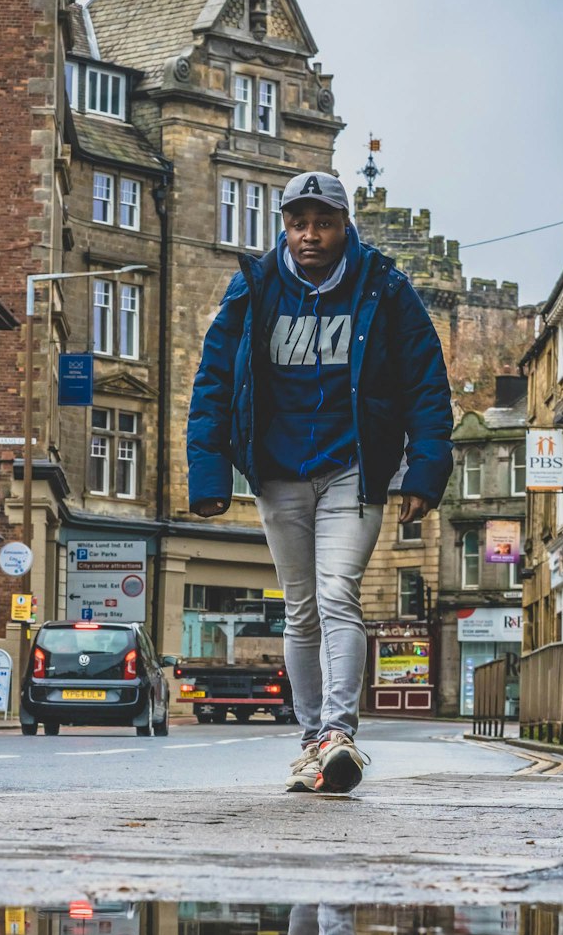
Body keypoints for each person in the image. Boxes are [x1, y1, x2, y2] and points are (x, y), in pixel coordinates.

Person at [187, 171, 453, 794]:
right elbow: (213, 382)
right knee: (300, 610)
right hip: (277, 472)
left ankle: (339, 732)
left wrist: (424, 472)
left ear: (344, 225)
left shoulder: (384, 287)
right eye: (298, 223)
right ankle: (312, 741)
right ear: (285, 225)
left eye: (323, 223)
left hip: (355, 468)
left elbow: (426, 385)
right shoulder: (253, 287)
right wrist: (208, 472)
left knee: (339, 595)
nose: (310, 236)